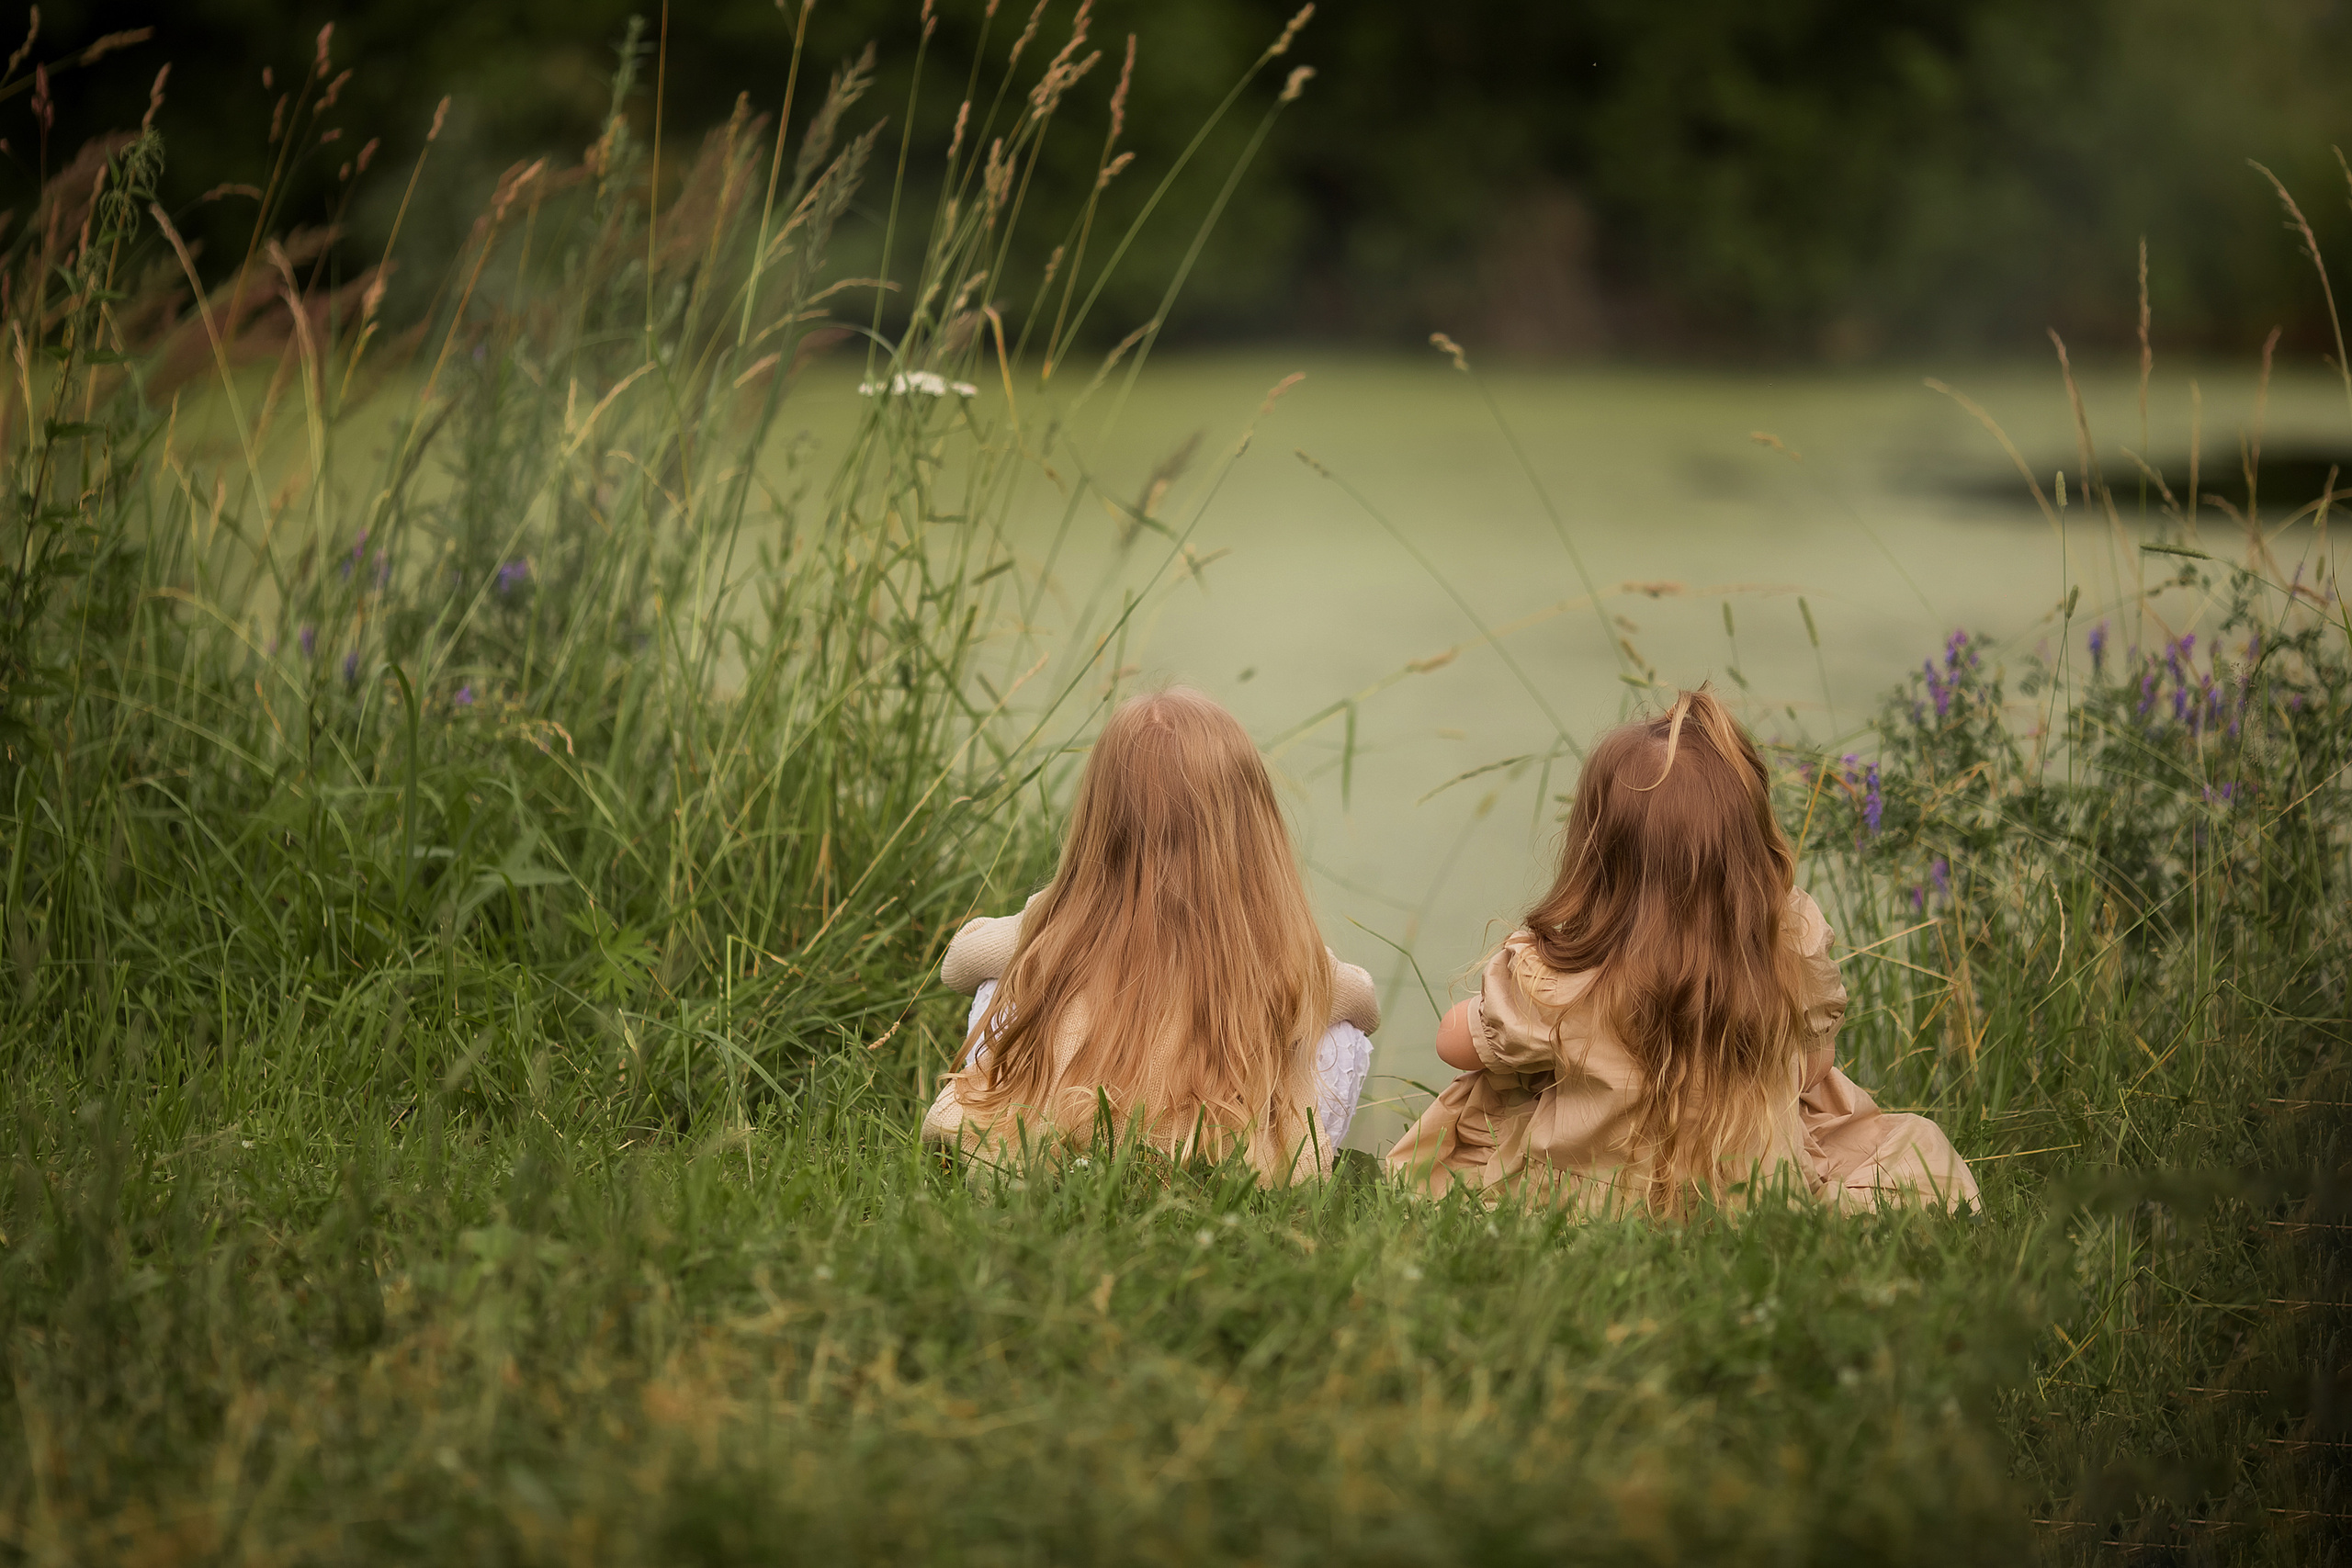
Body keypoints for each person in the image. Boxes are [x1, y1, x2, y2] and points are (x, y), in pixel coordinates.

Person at [1387, 687, 1978, 1215]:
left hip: (1594, 1197)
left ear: (1596, 852)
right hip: (1753, 1191)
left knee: (1489, 1085)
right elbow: (1815, 1066)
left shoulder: (1555, 974)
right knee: (1816, 1095)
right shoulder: (1787, 943)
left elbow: (1453, 1045)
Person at [926, 686, 1380, 1180]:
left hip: (1056, 1150)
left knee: (1004, 984)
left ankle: (1021, 1122)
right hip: (1219, 1162)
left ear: (1100, 822)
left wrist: (1042, 920)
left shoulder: (1059, 923)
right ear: (1255, 827)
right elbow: (1363, 1003)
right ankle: (1267, 1163)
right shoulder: (1282, 954)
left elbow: (958, 963)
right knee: (1339, 1032)